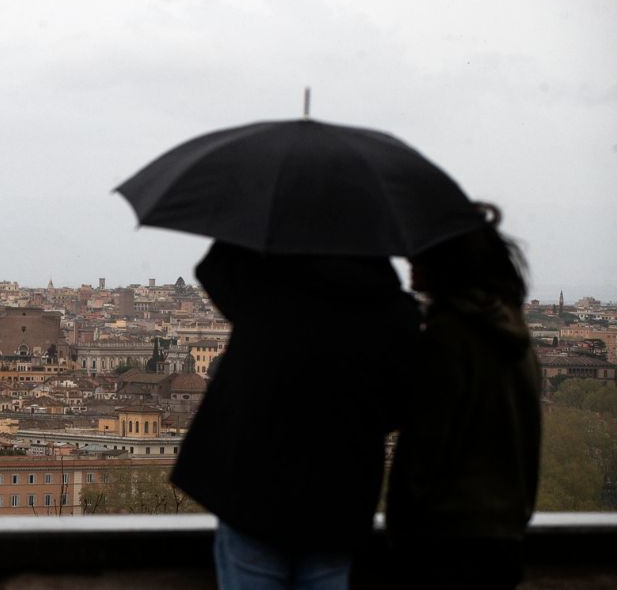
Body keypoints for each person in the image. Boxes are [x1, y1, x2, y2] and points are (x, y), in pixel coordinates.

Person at [171, 242, 421, 590]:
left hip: (252, 489)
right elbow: (401, 407)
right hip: (339, 497)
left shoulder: (267, 288)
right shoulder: (393, 309)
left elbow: (213, 270)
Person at [385, 204, 541, 589]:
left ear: (445, 261)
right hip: (503, 534)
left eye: (421, 249)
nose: (409, 257)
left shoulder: (448, 338)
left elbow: (423, 448)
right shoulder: (516, 338)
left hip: (446, 539)